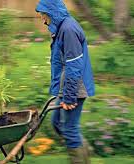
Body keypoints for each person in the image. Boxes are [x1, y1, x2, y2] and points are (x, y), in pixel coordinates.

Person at [35, 0, 95, 163]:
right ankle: (84, 152)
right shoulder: (61, 28)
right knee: (57, 123)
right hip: (67, 84)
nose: (42, 19)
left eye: (43, 15)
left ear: (52, 13)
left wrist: (69, 96)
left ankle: (81, 159)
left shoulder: (68, 29)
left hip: (75, 86)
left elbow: (74, 64)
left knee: (69, 130)